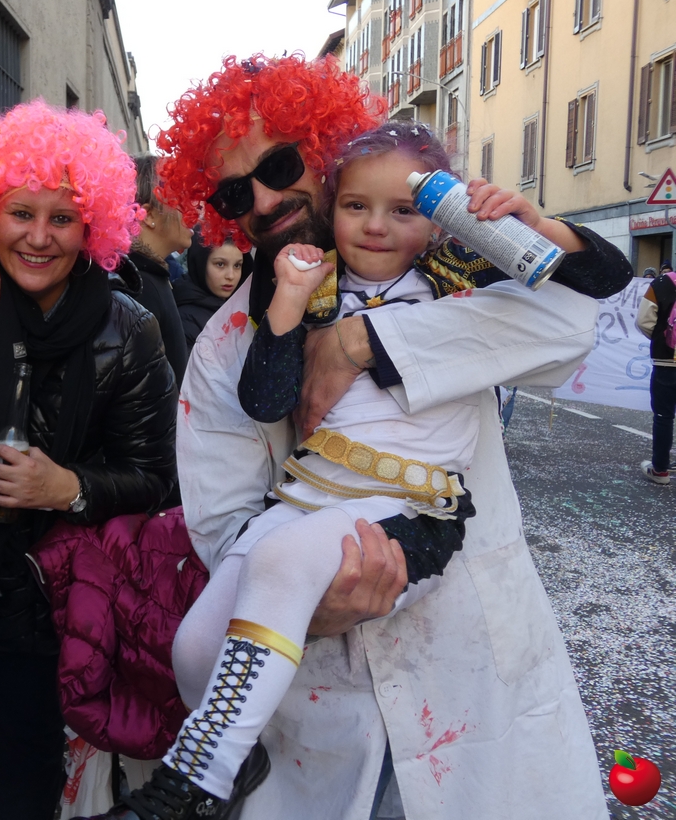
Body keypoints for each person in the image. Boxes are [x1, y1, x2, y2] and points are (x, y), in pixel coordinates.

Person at [95, 53, 627, 820]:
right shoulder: (225, 345)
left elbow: (572, 325)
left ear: (325, 150)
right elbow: (222, 524)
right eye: (236, 192)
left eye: (280, 166)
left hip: (468, 675)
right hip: (311, 706)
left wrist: (363, 343)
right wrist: (313, 601)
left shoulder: (444, 273)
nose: (265, 200)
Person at [0, 100, 178, 819]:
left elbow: (157, 478)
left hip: (67, 592)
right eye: (21, 213)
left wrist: (66, 488)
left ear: (94, 227)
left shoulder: (129, 328)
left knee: (58, 760)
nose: (39, 237)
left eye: (63, 218)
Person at [129, 154, 194, 385]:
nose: (193, 211)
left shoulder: (149, 276)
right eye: (182, 201)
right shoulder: (139, 286)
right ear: (149, 215)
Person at [172, 231, 253, 354]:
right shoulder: (185, 319)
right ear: (201, 264)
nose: (230, 276)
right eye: (220, 264)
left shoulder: (242, 306)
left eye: (237, 265)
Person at [635, 265, 676, 483]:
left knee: (664, 416)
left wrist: (664, 339)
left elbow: (643, 321)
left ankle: (660, 470)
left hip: (667, 361)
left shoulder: (662, 283)